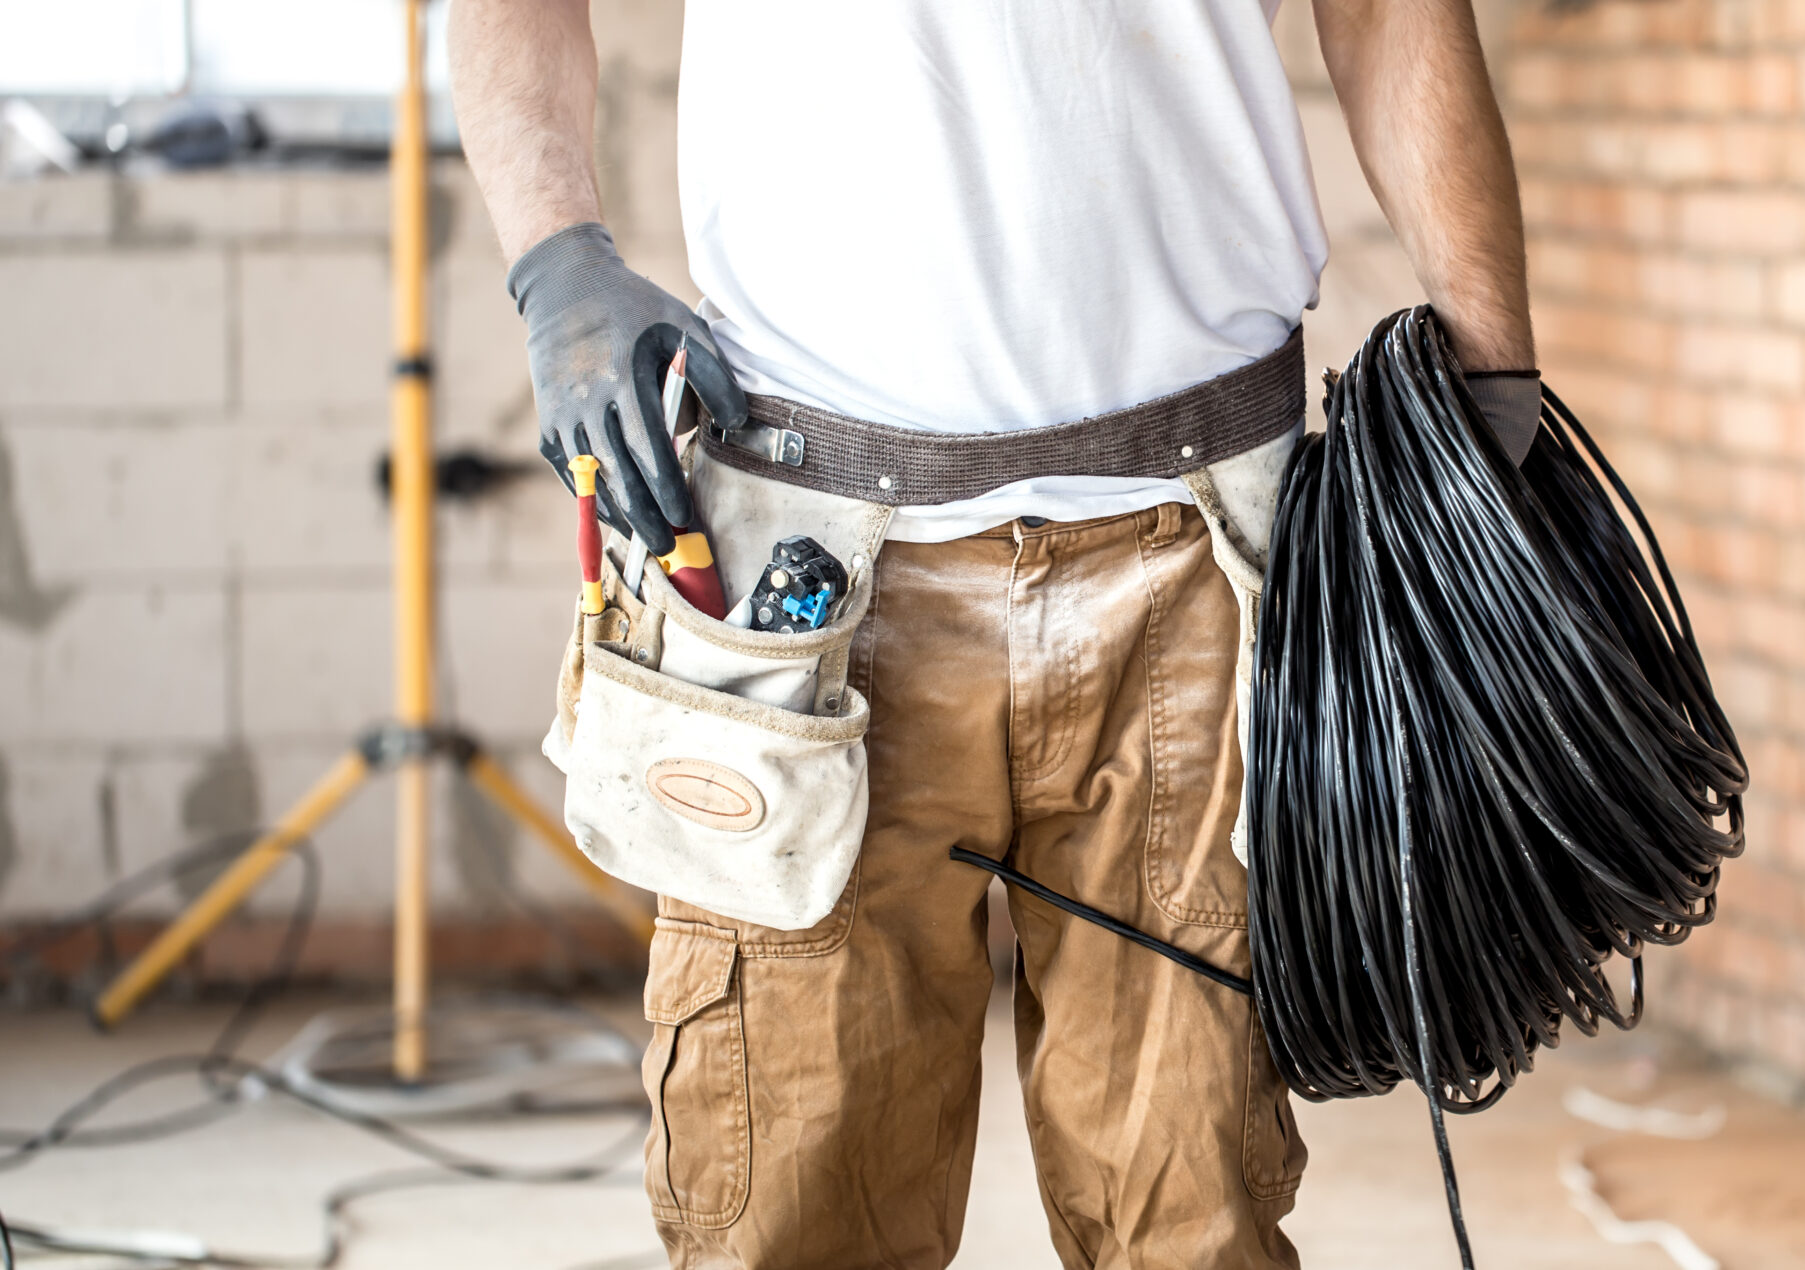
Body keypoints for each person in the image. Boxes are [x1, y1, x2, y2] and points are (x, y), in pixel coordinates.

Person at [451, 1, 1536, 1265]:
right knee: (792, 1218)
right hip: (818, 594)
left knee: (1193, 1221)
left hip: (1202, 563)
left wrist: (1496, 371)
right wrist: (552, 257)